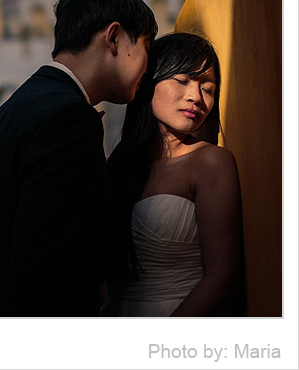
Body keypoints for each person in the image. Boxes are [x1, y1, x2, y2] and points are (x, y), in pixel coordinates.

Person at [0, 0, 157, 316]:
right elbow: (54, 269)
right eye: (146, 48)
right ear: (114, 37)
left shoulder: (22, 102)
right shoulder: (69, 119)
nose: (148, 68)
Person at [103, 33, 242, 316]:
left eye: (208, 88)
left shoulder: (210, 162)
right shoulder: (119, 164)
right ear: (149, 81)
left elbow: (222, 277)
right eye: (182, 80)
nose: (195, 97)